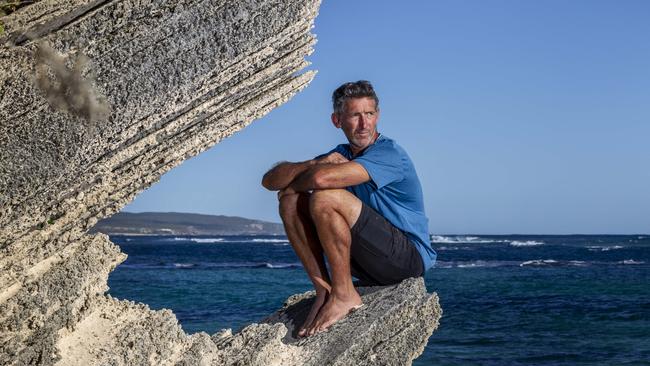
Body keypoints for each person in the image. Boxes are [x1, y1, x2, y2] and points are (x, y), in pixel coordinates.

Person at [261, 80, 436, 337]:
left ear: (378, 116)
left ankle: (345, 295)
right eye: (355, 115)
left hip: (407, 260)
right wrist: (316, 162)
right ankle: (324, 290)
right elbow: (269, 181)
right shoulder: (340, 153)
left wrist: (305, 178)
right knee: (289, 199)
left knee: (324, 196)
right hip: (367, 259)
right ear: (337, 120)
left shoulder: (389, 154)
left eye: (370, 114)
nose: (364, 124)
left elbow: (321, 180)